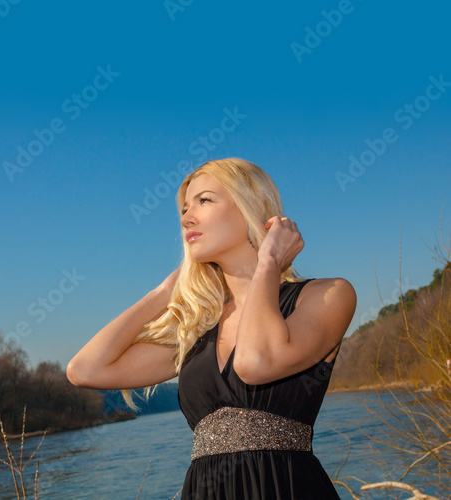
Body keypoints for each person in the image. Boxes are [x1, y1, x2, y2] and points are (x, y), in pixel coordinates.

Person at [66, 157, 357, 499]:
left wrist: (269, 263)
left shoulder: (328, 295)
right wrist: (160, 294)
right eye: (185, 208)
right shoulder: (197, 328)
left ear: (251, 205)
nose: (187, 217)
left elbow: (255, 363)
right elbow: (85, 369)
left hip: (287, 488)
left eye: (204, 200)